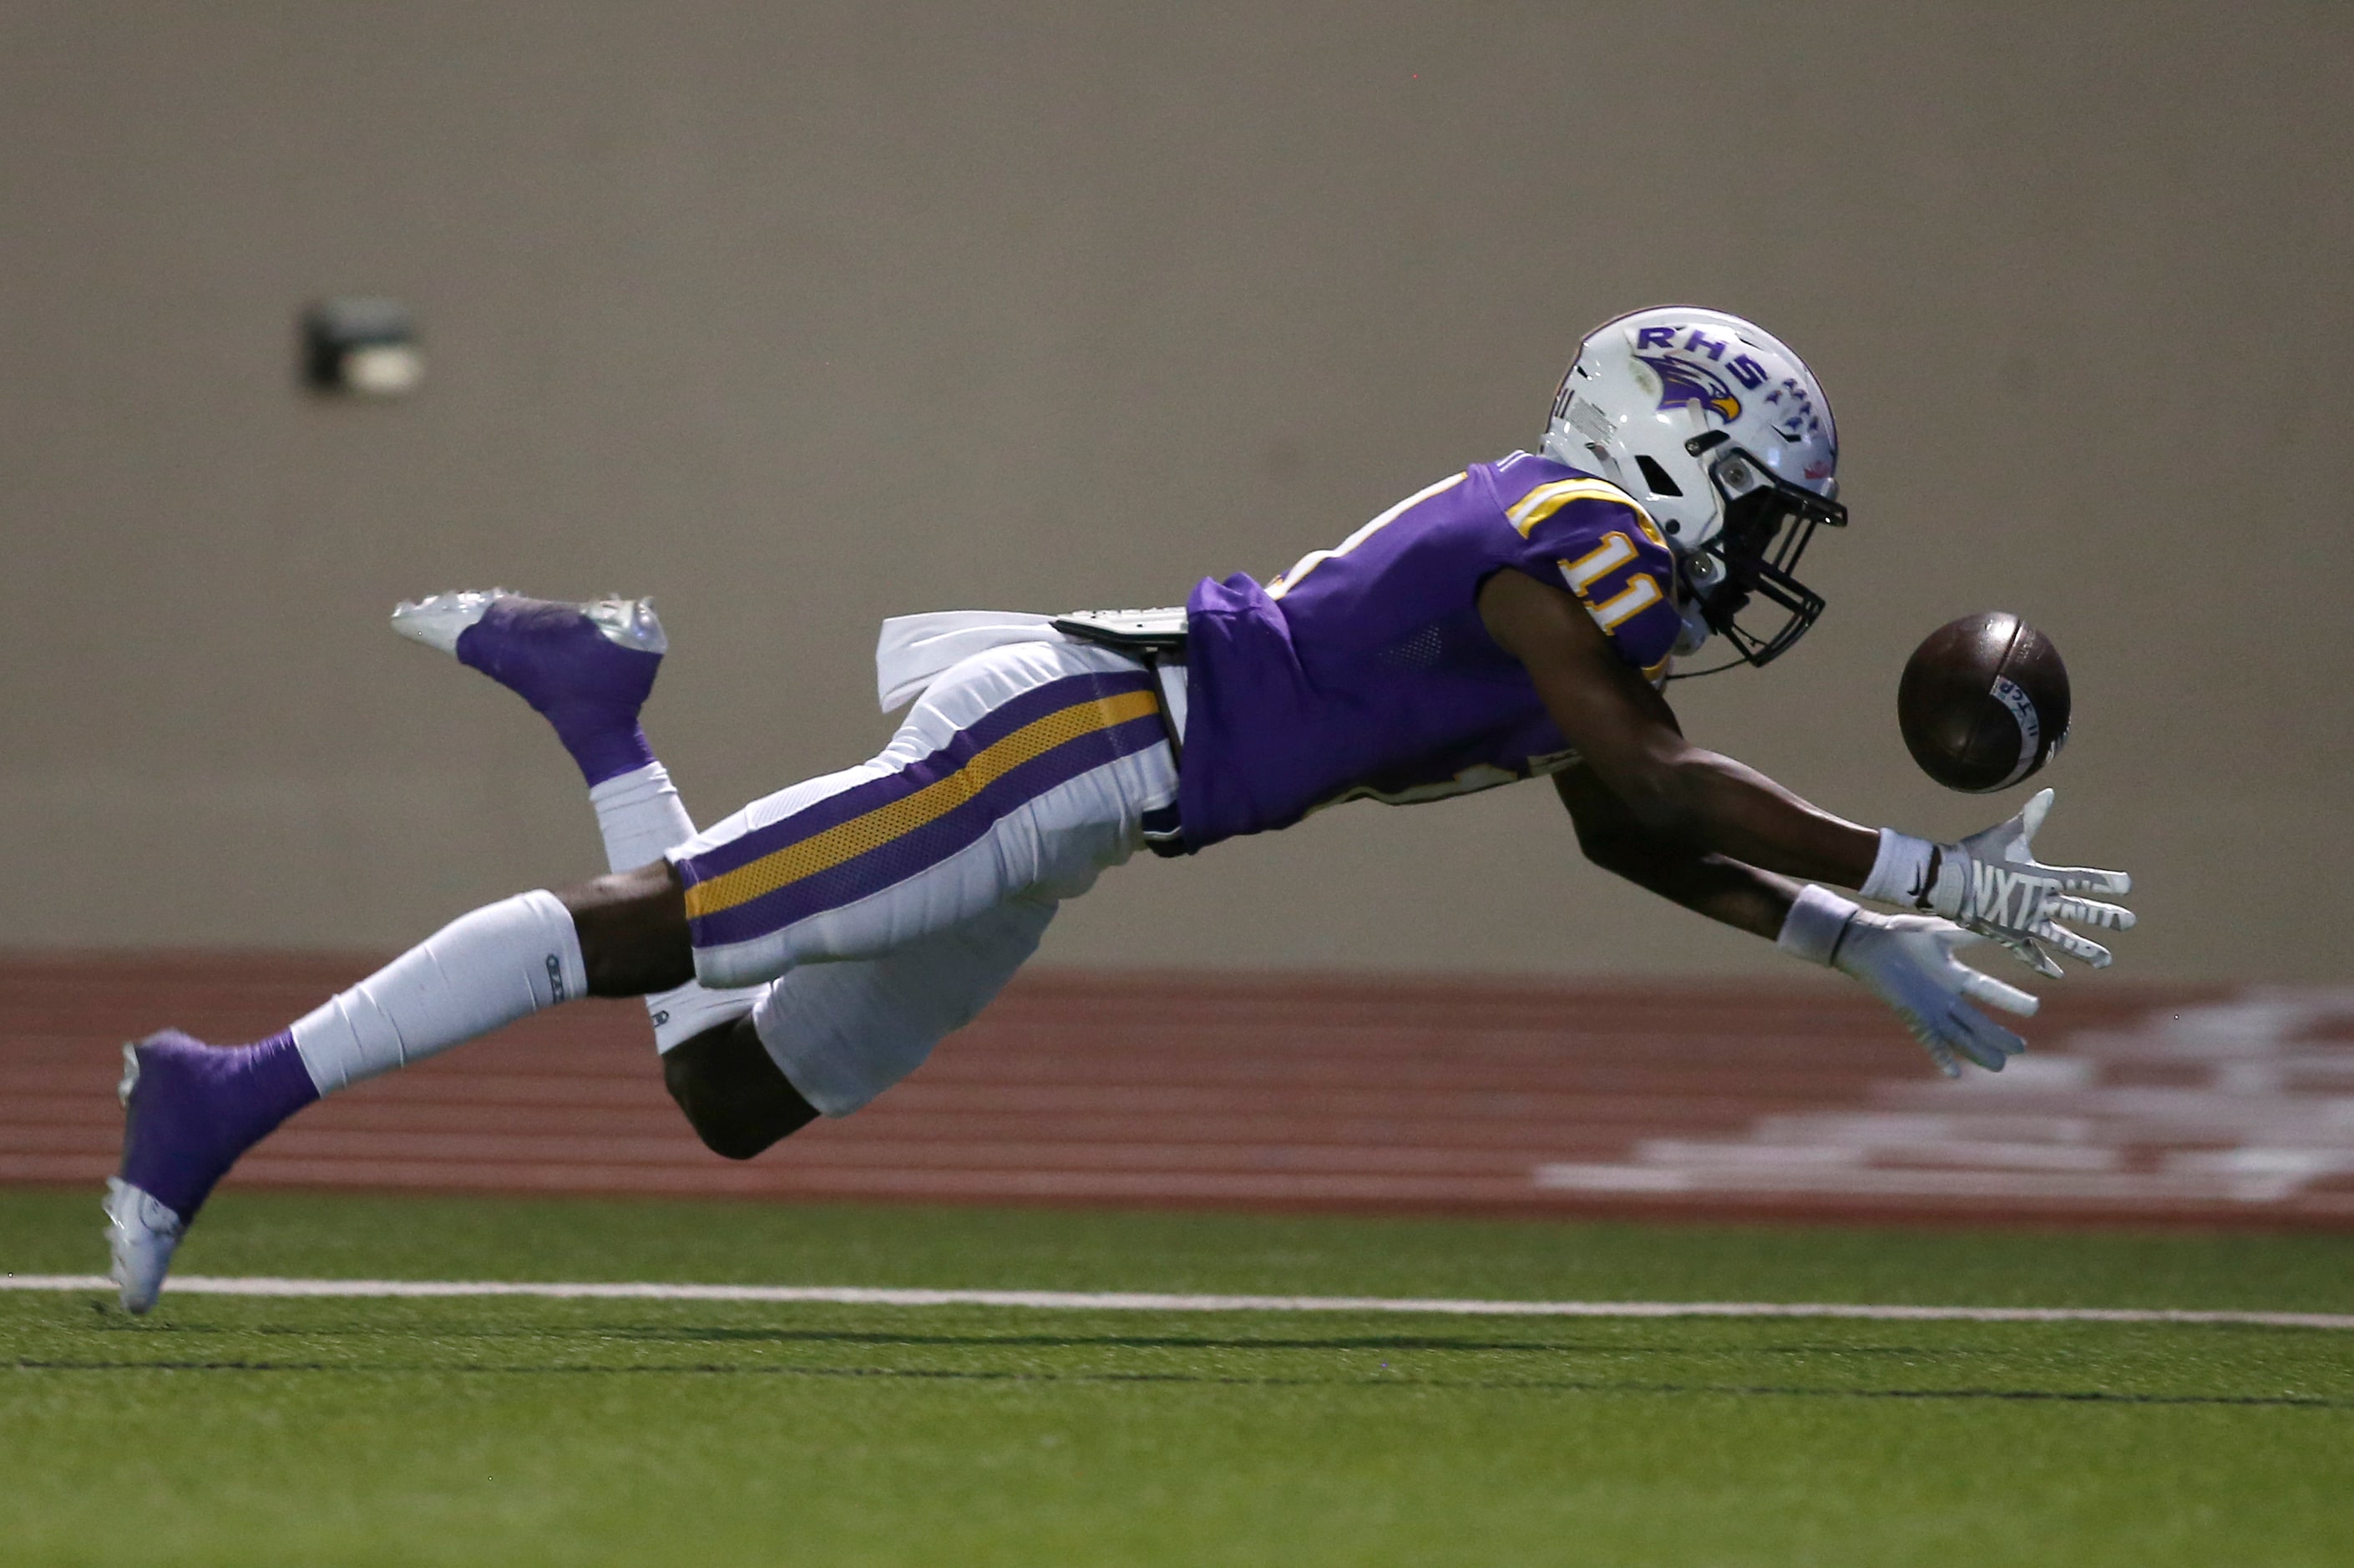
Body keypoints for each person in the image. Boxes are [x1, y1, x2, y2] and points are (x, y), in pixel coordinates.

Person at [104, 306, 2134, 1312]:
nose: (1764, 553)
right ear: (1681, 454)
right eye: (1761, 505)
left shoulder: (1581, 598)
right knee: (651, 939)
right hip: (1067, 737)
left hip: (1101, 803)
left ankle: (596, 704)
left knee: (735, 1099)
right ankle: (226, 1090)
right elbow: (1661, 778)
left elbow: (1627, 823)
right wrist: (1921, 865)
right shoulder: (1562, 526)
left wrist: (1862, 943)